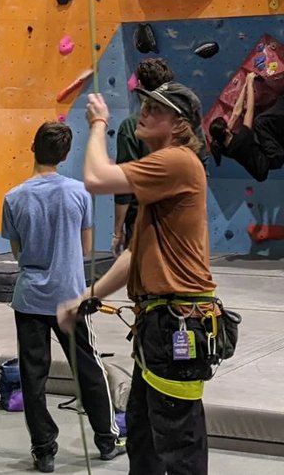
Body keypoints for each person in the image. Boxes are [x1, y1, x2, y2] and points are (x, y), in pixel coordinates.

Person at [60, 81, 220, 475]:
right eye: (144, 104)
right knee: (146, 440)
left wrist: (98, 125)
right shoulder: (159, 178)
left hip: (176, 323)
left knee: (178, 441)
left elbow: (97, 178)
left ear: (179, 125)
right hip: (159, 325)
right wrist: (85, 298)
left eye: (155, 109)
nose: (144, 112)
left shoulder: (178, 161)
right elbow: (135, 256)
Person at [1, 122, 123, 472]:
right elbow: (85, 248)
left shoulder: (14, 197)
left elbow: (18, 249)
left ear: (32, 147)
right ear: (66, 155)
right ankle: (106, 439)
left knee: (33, 376)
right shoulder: (80, 193)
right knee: (88, 369)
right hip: (69, 297)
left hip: (29, 300)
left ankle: (43, 450)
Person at [207, 72, 284, 182]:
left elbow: (236, 113)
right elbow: (249, 110)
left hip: (264, 153)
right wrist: (250, 83)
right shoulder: (241, 140)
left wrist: (245, 85)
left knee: (276, 123)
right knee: (261, 122)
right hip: (273, 157)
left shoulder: (221, 143)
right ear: (226, 130)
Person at [114, 57, 175, 254]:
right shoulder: (183, 124)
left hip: (142, 219)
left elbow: (125, 184)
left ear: (139, 85)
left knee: (144, 280)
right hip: (178, 217)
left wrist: (117, 231)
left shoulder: (132, 127)